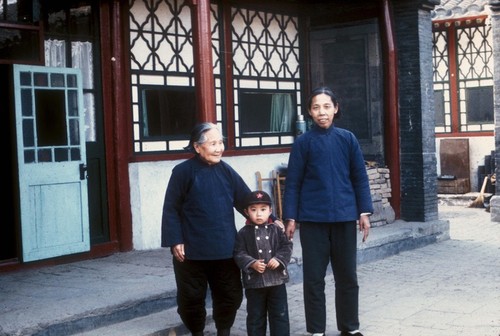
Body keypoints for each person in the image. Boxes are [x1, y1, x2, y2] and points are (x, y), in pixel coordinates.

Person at [283, 86, 373, 336]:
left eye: (326, 106)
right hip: (313, 220)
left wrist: (364, 212)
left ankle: (350, 328)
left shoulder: (347, 139)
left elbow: (359, 177)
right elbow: (293, 183)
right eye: (315, 107)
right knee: (313, 279)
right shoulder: (303, 143)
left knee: (347, 277)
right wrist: (290, 217)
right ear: (310, 112)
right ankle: (316, 331)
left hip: (345, 217)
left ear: (335, 108)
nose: (321, 112)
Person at [161, 122, 250, 336]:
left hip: (224, 248)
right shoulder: (183, 172)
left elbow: (246, 201)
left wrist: (270, 219)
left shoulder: (226, 171)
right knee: (191, 297)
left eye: (221, 142)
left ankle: (223, 331)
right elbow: (171, 208)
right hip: (191, 250)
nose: (219, 148)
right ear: (197, 147)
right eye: (213, 143)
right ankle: (197, 332)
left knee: (230, 294)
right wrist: (175, 240)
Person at [234, 190, 293, 336]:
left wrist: (279, 259)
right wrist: (251, 263)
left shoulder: (277, 230)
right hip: (255, 283)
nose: (259, 214)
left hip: (277, 281)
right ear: (246, 212)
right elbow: (238, 253)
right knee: (255, 317)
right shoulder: (243, 233)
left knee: (280, 316)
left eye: (263, 209)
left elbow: (286, 246)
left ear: (270, 211)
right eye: (253, 210)